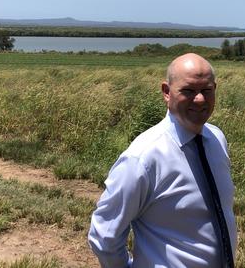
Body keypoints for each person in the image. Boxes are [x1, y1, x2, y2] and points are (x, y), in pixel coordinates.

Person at [88, 53, 237, 267]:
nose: (200, 99)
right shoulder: (143, 158)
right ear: (167, 92)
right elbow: (104, 235)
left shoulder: (216, 140)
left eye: (206, 90)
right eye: (188, 90)